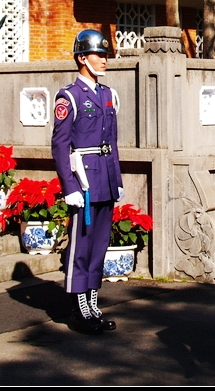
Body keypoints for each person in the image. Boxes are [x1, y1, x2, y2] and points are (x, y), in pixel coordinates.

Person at [51, 29, 124, 336]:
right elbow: (59, 145)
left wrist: (117, 179)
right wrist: (69, 187)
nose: (104, 60)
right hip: (84, 179)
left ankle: (94, 303)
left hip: (105, 176)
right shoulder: (69, 96)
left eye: (106, 55)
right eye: (98, 54)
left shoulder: (107, 95)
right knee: (82, 245)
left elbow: (113, 141)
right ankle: (80, 308)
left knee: (99, 245)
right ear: (82, 58)